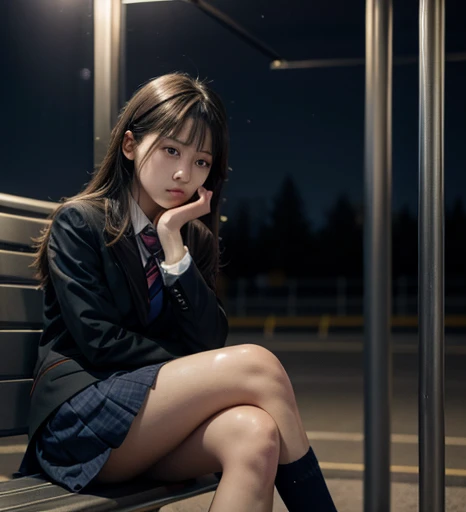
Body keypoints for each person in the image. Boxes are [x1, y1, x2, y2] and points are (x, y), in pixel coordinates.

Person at [17, 72, 337, 512]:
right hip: (80, 421)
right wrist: (194, 372)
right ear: (130, 146)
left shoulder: (193, 240)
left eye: (202, 161)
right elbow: (99, 341)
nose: (185, 173)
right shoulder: (80, 222)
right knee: (258, 365)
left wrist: (172, 244)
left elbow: (208, 340)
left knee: (255, 434)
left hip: (149, 427)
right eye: (171, 150)